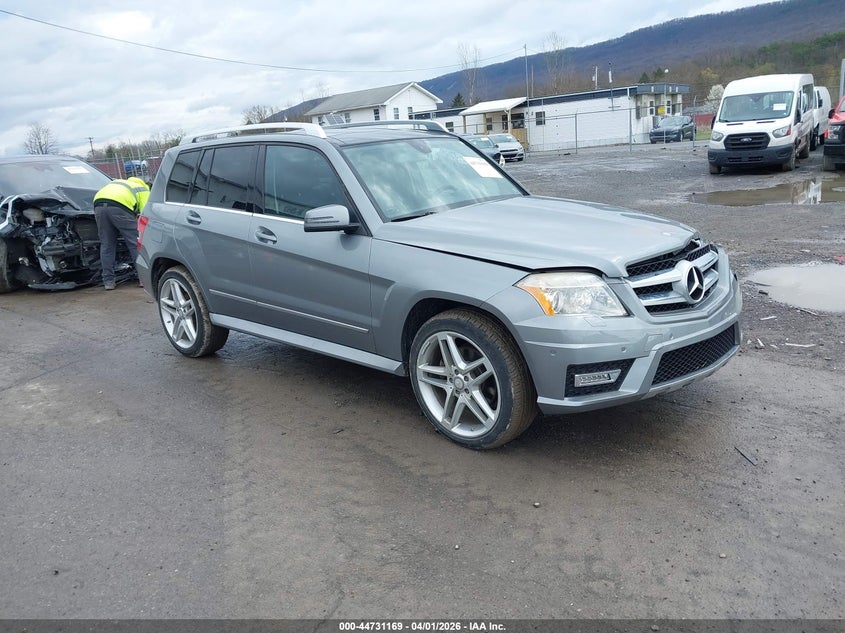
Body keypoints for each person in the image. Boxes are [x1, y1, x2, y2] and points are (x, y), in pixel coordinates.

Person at [92, 176, 150, 290]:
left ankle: (108, 282)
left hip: (98, 204)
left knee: (107, 245)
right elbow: (145, 215)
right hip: (120, 207)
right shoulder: (144, 189)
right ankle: (143, 279)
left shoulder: (120, 183)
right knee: (135, 244)